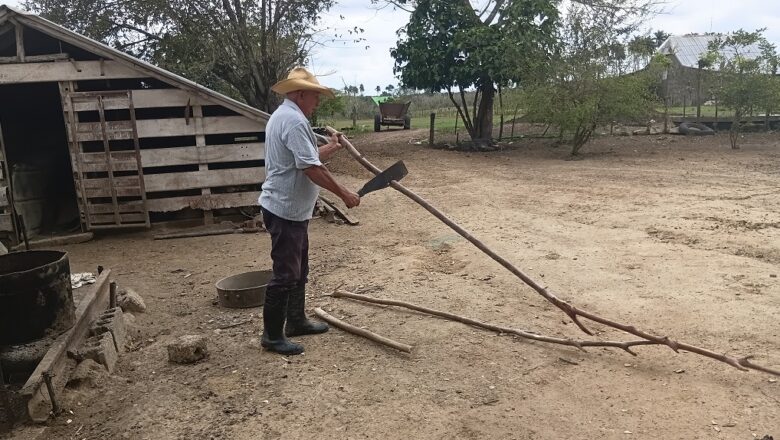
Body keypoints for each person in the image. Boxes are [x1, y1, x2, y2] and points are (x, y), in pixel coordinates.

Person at [259, 67, 360, 355]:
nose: (318, 102)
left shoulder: (289, 116)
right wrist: (344, 194)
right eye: (315, 96)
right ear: (300, 94)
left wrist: (331, 146)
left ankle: (297, 320)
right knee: (285, 274)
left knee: (299, 270)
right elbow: (310, 168)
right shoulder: (292, 121)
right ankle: (272, 336)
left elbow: (307, 156)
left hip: (293, 210)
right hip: (284, 210)